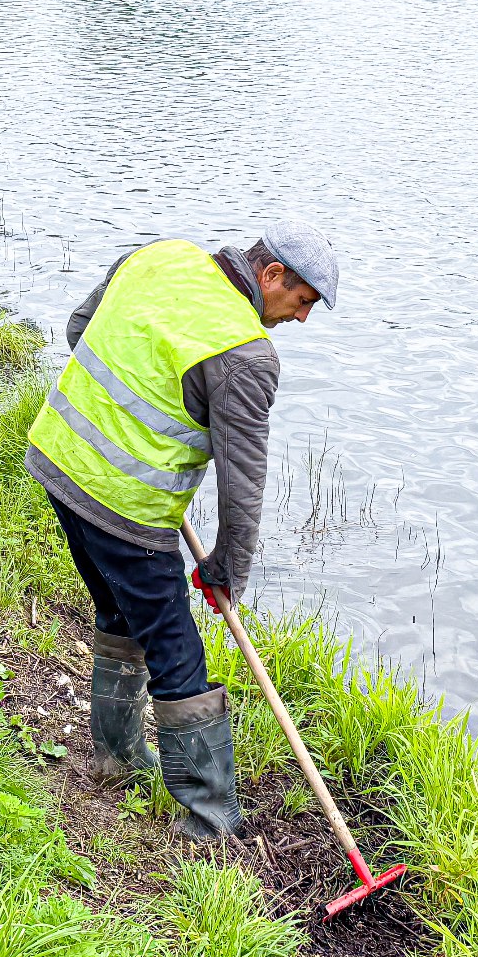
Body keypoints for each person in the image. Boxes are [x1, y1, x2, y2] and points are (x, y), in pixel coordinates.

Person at [25, 225, 339, 838]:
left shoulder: (162, 256)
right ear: (271, 274)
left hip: (59, 460)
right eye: (303, 301)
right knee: (177, 652)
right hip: (124, 507)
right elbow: (243, 485)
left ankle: (116, 760)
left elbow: (78, 330)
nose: (302, 319)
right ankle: (211, 820)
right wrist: (227, 570)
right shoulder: (245, 356)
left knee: (121, 613)